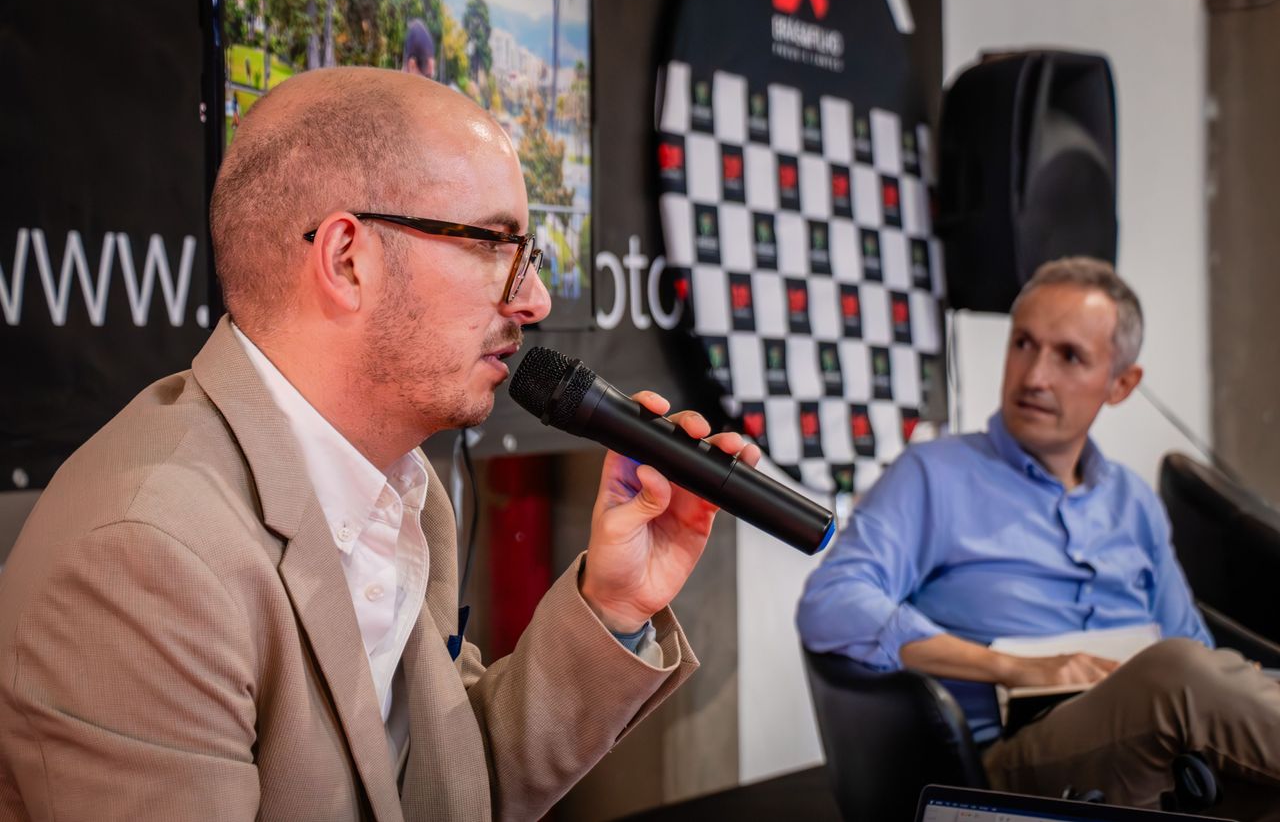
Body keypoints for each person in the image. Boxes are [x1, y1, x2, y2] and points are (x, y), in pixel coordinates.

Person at [0, 67, 758, 821]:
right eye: (495, 244)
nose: (533, 299)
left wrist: (613, 603)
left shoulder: (403, 489)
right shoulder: (147, 558)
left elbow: (450, 784)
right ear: (346, 260)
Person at [797, 257, 1280, 820]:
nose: (1033, 377)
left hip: (1170, 754)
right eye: (1023, 344)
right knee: (1176, 674)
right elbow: (832, 602)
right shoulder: (934, 474)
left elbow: (1194, 647)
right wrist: (1014, 667)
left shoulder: (1132, 500)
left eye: (1068, 356)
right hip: (1022, 759)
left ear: (1121, 383)